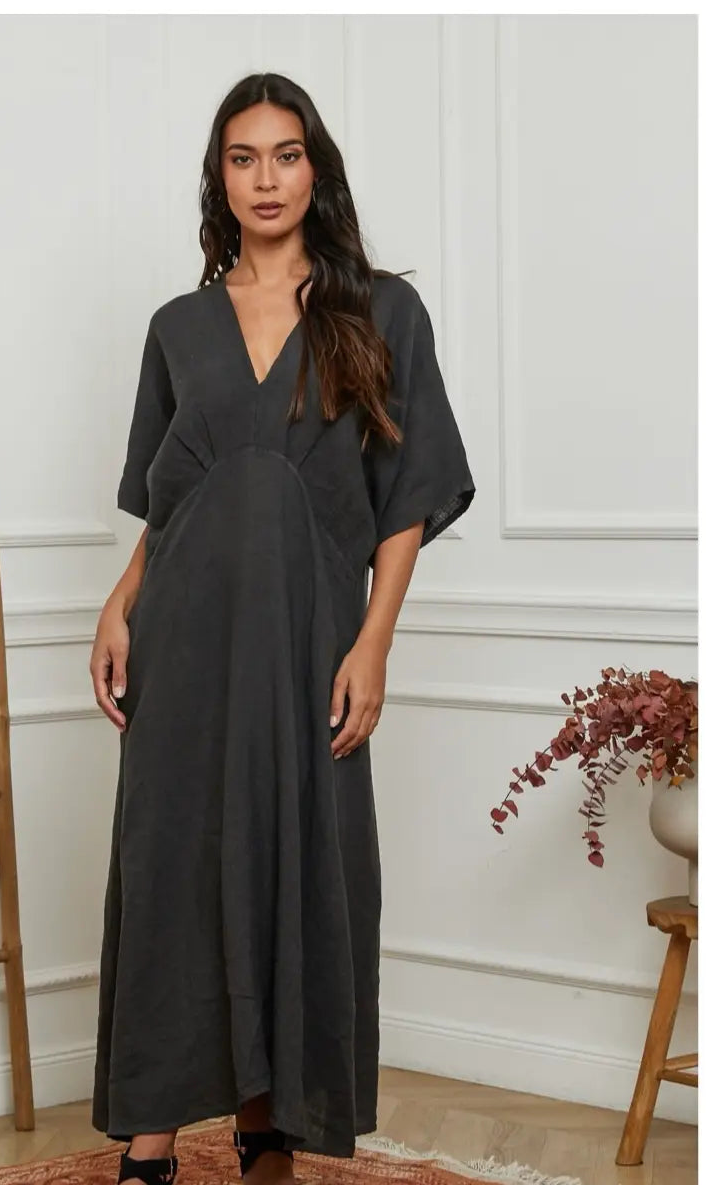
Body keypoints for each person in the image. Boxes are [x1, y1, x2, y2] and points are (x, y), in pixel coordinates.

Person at [89, 72, 476, 1185]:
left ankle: (271, 1126)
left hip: (312, 638)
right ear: (219, 177)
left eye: (287, 154)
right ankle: (153, 1140)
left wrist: (374, 642)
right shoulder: (177, 327)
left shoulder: (380, 311)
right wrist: (119, 602)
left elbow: (407, 497)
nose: (267, 178)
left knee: (297, 858)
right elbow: (170, 498)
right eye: (244, 157)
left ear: (317, 170)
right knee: (174, 856)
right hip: (184, 635)